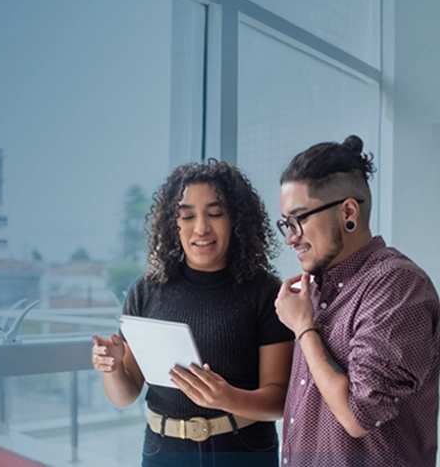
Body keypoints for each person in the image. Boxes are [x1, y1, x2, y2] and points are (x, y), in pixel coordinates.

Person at [92, 161, 294, 466]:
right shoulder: (145, 292)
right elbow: (124, 395)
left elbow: (280, 401)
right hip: (164, 452)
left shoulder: (265, 292)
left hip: (242, 450)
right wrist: (114, 367)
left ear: (236, 219)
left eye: (215, 213)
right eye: (187, 216)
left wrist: (227, 398)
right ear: (173, 224)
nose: (201, 228)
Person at [274, 135, 440, 467]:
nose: (291, 238)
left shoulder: (398, 286)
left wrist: (304, 329)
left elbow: (358, 415)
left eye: (299, 219)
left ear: (348, 212)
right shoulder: (315, 291)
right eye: (286, 223)